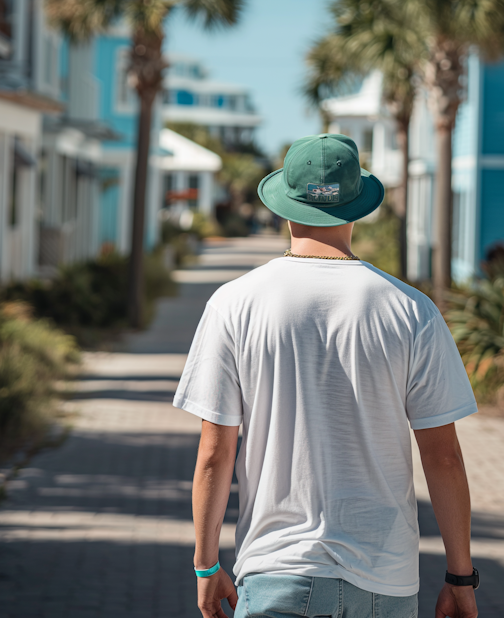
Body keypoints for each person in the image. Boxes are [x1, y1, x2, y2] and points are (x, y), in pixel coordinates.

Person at [174, 133, 479, 618]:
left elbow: (215, 453)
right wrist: (460, 577)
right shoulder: (411, 311)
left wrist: (206, 568)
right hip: (385, 579)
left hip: (276, 572)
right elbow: (443, 458)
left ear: (283, 205)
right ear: (357, 206)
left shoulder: (233, 304)